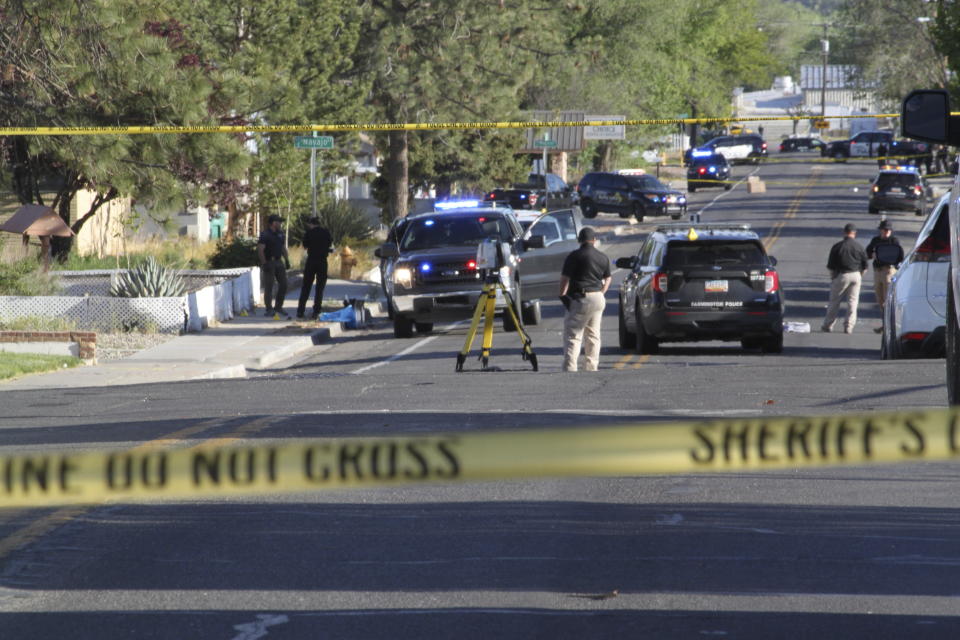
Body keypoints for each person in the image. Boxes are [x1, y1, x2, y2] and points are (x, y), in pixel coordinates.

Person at [559, 227, 611, 372]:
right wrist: (602, 292)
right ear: (594, 240)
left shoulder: (574, 256)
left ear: (580, 241)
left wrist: (562, 295)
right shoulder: (603, 257)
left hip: (580, 298)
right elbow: (608, 278)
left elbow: (565, 279)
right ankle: (591, 367)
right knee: (593, 335)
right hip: (598, 298)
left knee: (573, 335)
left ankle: (570, 368)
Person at [821, 223, 868, 334]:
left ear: (844, 233)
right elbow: (865, 266)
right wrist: (859, 275)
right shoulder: (859, 247)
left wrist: (833, 277)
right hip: (856, 275)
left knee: (834, 302)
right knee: (853, 302)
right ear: (854, 233)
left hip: (842, 275)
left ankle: (828, 325)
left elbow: (831, 266)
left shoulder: (838, 246)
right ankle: (849, 326)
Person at [865, 219, 904, 333]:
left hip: (888, 271)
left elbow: (900, 257)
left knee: (888, 300)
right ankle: (885, 324)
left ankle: (890, 326)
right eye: (884, 230)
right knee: (880, 300)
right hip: (877, 271)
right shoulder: (875, 240)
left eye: (888, 230)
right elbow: (867, 253)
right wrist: (872, 254)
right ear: (880, 230)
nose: (886, 232)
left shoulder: (894, 241)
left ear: (891, 231)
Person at [297, 216, 333, 319]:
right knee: (320, 288)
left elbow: (305, 245)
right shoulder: (326, 232)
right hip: (322, 261)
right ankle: (316, 311)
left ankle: (300, 311)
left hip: (311, 261)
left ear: (311, 224)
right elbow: (329, 244)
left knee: (306, 286)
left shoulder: (309, 233)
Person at [257, 214, 291, 317]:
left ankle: (278, 307)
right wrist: (264, 263)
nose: (280, 224)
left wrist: (287, 260)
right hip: (269, 262)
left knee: (284, 284)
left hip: (279, 261)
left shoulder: (280, 234)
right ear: (273, 223)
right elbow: (260, 249)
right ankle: (269, 309)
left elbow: (282, 248)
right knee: (269, 286)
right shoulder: (265, 234)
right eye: (279, 221)